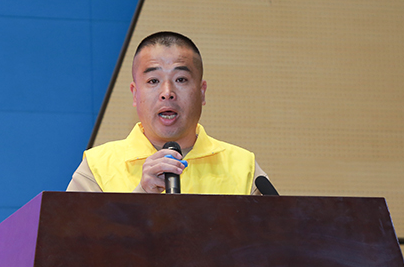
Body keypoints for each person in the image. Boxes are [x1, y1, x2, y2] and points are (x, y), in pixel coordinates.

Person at [67, 31, 270, 194]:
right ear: (135, 94)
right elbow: (76, 234)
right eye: (153, 81)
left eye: (181, 79)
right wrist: (141, 196)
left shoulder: (244, 167)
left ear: (202, 92)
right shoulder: (97, 168)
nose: (167, 93)